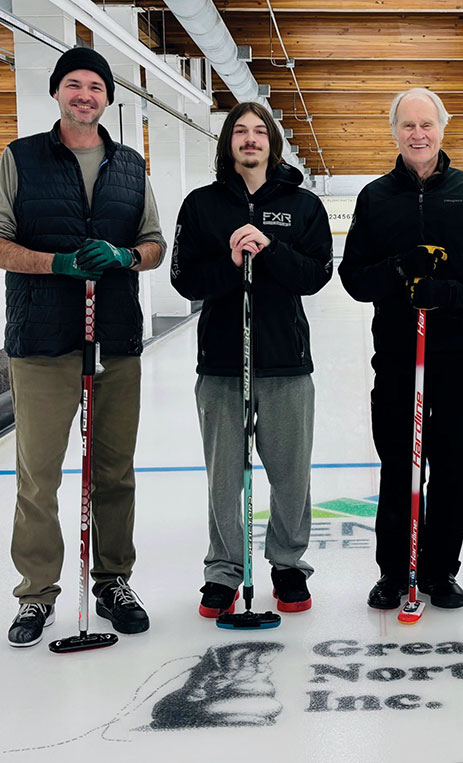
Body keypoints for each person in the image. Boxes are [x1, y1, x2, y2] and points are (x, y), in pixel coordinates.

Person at [0, 47, 165, 647]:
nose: (85, 96)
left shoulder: (130, 165)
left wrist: (125, 257)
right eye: (75, 85)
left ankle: (113, 581)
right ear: (57, 91)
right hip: (41, 340)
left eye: (96, 87)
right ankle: (36, 594)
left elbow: (154, 244)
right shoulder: (20, 158)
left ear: (108, 98)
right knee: (38, 476)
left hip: (115, 338)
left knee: (114, 470)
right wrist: (56, 263)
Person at [339, 87, 463, 610]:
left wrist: (451, 294)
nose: (418, 134)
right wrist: (399, 269)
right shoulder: (375, 197)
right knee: (399, 461)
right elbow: (353, 277)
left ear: (442, 127)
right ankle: (394, 571)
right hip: (398, 352)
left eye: (427, 124)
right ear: (395, 131)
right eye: (408, 125)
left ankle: (439, 571)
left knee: (454, 462)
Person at [171, 102, 332, 618]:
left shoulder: (303, 206)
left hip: (286, 361)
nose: (250, 139)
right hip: (222, 362)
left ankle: (287, 564)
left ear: (272, 143)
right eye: (239, 131)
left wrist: (270, 249)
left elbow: (316, 275)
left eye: (260, 131)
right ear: (228, 143)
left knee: (290, 474)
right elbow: (184, 279)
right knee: (224, 476)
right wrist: (231, 261)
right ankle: (224, 569)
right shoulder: (201, 205)